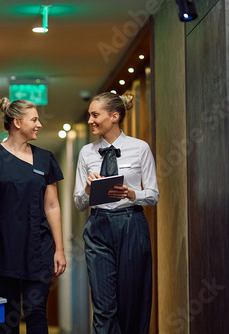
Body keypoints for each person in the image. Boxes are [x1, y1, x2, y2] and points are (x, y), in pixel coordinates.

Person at [0, 97, 66, 334]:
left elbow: (52, 206)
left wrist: (59, 248)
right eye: (34, 119)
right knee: (9, 317)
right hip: (3, 248)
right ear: (17, 122)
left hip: (38, 247)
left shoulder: (45, 158)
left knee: (36, 312)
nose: (39, 124)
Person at [73, 92, 159, 334]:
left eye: (95, 115)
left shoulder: (140, 148)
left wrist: (132, 194)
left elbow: (153, 193)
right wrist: (88, 190)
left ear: (114, 116)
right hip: (98, 227)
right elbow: (79, 202)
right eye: (90, 115)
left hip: (131, 224)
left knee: (132, 301)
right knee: (103, 306)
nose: (90, 120)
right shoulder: (86, 153)